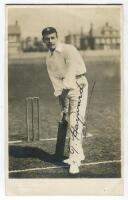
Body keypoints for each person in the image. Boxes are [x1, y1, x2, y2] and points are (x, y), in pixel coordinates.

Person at [42, 27, 88, 174]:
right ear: (44, 40)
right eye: (47, 39)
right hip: (64, 88)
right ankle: (79, 154)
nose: (50, 41)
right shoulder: (48, 58)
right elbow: (54, 79)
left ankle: (74, 161)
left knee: (75, 122)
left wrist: (65, 91)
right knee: (70, 121)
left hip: (78, 84)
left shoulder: (69, 50)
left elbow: (71, 72)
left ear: (57, 37)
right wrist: (61, 98)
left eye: (52, 38)